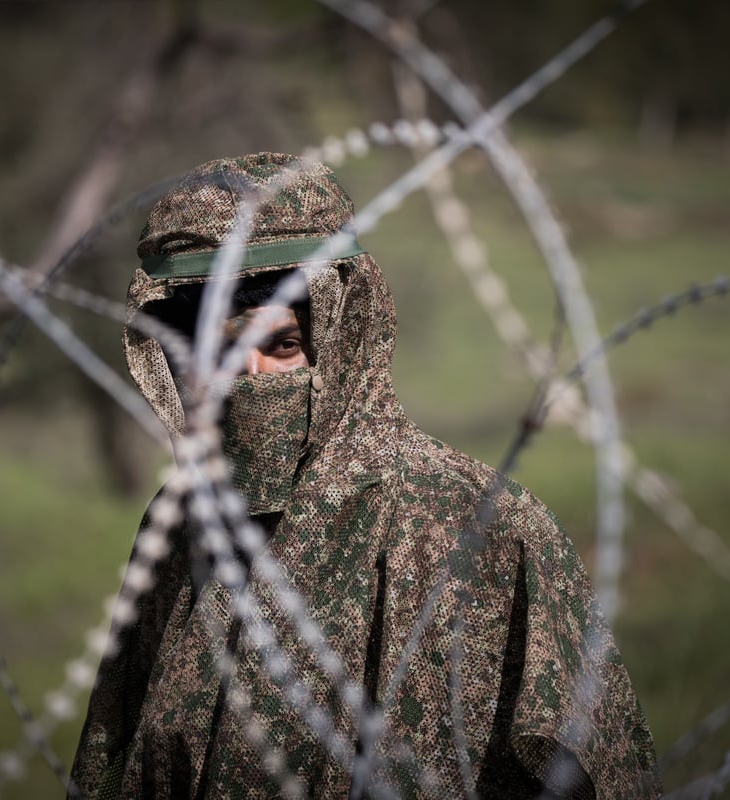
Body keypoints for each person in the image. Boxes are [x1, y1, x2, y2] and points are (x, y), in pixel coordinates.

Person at [71, 153, 660, 799]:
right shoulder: (181, 524)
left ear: (343, 337)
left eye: (282, 346)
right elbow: (113, 761)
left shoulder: (474, 526)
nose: (252, 380)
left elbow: (601, 773)